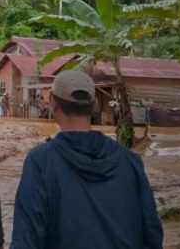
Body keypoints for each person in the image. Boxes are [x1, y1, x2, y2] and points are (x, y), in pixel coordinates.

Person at [11, 70, 163, 249]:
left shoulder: (40, 162)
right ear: (95, 104)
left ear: (53, 102)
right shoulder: (130, 161)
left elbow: (27, 239)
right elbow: (152, 233)